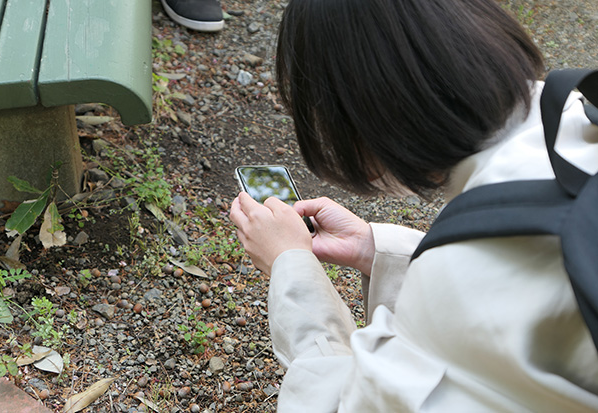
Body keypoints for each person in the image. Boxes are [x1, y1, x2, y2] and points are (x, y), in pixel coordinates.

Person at [229, 0, 598, 411]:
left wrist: (290, 265)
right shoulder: (574, 112)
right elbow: (522, 282)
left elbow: (349, 403)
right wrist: (378, 250)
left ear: (360, 117)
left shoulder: (459, 277)